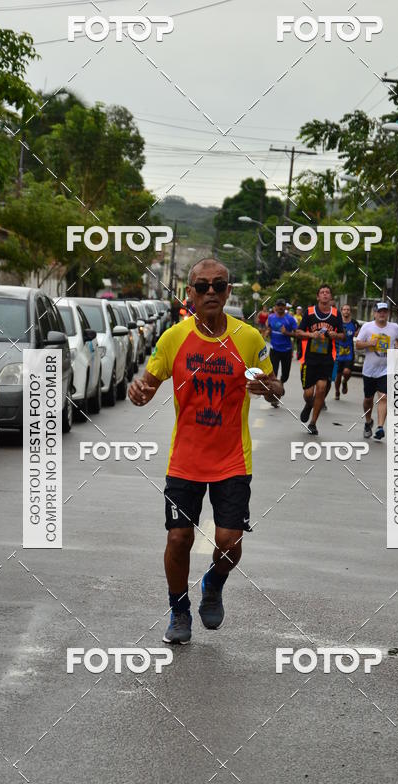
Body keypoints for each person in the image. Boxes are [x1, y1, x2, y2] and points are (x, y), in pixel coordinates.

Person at [129, 258, 283, 645]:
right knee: (178, 539)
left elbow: (276, 386)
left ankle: (213, 585)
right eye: (202, 286)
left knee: (229, 542)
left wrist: (268, 388)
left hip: (233, 460)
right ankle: (179, 611)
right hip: (186, 461)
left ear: (229, 291)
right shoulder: (173, 338)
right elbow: (147, 385)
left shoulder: (248, 338)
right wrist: (139, 393)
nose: (210, 292)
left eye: (218, 285)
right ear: (190, 293)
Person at [294, 285, 344, 435]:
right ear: (318, 297)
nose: (324, 295)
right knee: (309, 394)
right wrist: (311, 335)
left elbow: (342, 335)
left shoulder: (336, 314)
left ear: (331, 297)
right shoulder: (309, 312)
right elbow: (298, 332)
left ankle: (313, 423)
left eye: (327, 292)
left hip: (326, 359)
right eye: (322, 292)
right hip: (310, 359)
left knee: (321, 390)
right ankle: (308, 405)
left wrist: (335, 335)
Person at [355, 301, 398, 440]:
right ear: (374, 313)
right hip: (369, 369)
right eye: (379, 311)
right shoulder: (367, 327)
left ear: (388, 314)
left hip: (386, 369)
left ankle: (380, 427)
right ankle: (368, 422)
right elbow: (358, 345)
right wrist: (369, 343)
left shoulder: (394, 327)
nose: (382, 314)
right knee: (368, 399)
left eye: (385, 312)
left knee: (384, 397)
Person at [264, 298, 297, 407]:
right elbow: (268, 328)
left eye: (282, 305)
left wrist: (286, 333)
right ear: (276, 307)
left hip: (286, 350)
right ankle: (275, 397)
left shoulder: (290, 319)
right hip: (274, 349)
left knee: (285, 375)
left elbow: (297, 334)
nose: (280, 307)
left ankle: (281, 383)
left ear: (285, 307)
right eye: (278, 305)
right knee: (274, 373)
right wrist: (267, 332)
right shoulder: (271, 317)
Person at [333, 304, 360, 400]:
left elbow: (358, 333)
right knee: (338, 376)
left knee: (347, 372)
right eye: (344, 310)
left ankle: (345, 382)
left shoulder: (354, 323)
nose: (346, 311)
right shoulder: (337, 322)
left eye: (348, 310)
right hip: (338, 352)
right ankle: (337, 391)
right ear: (341, 311)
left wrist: (357, 334)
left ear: (350, 311)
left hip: (349, 353)